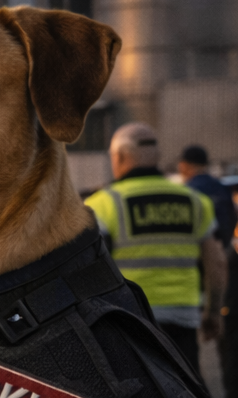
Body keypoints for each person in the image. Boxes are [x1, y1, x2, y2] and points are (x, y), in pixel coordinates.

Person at [86, 123, 217, 374]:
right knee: (189, 393)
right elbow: (216, 263)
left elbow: (91, 270)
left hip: (129, 317)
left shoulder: (102, 204)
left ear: (120, 157)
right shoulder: (195, 201)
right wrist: (213, 313)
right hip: (184, 315)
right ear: (157, 156)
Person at [176, 144, 238, 398]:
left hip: (193, 272)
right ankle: (232, 395)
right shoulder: (223, 189)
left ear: (184, 165)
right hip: (226, 267)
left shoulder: (188, 193)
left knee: (188, 341)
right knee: (228, 333)